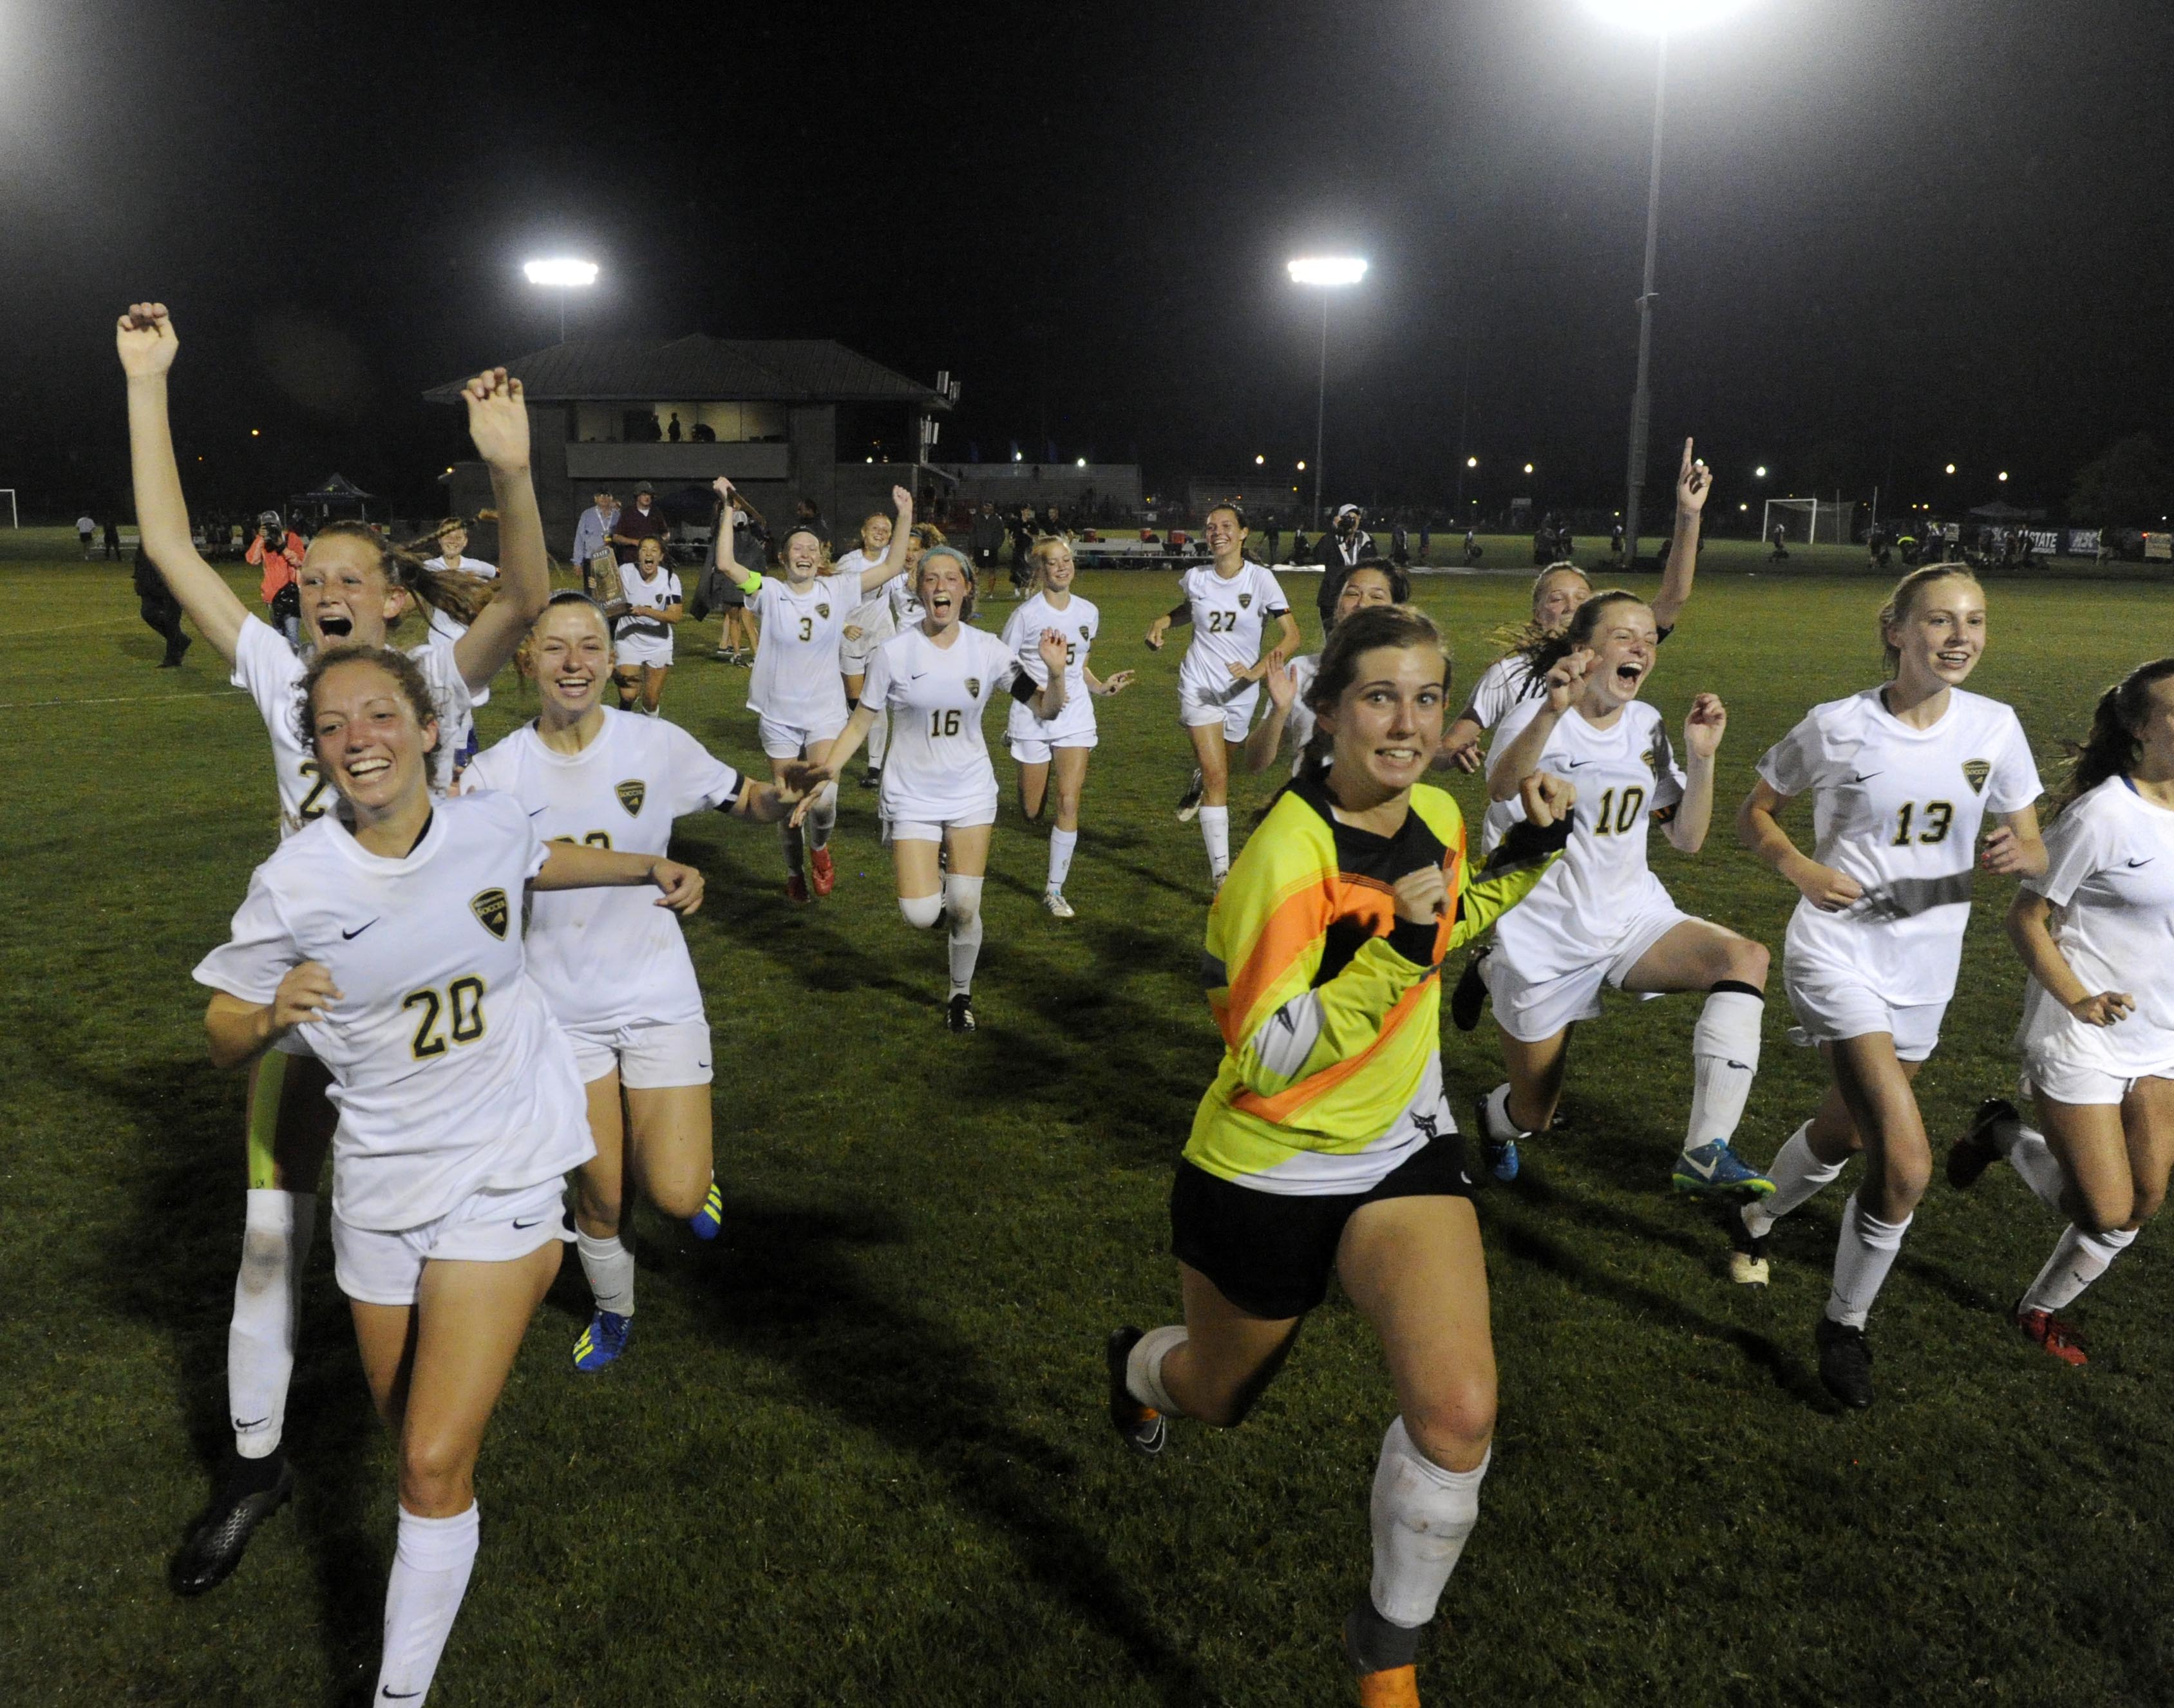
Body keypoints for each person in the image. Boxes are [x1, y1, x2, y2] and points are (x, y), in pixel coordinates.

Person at [118, 301, 551, 1597]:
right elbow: (164, 544)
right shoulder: (272, 677)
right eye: (309, 582)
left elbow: (526, 594)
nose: (320, 594)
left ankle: (448, 1430)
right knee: (268, 1231)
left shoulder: (437, 681)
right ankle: (256, 1466)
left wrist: (513, 469)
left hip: (439, 1019)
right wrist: (150, 384)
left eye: (347, 579)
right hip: (316, 1020)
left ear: (391, 598)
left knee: (447, 1236)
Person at [194, 642, 703, 1702]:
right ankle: (450, 1529)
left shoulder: (484, 819)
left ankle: (396, 1694)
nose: (357, 738)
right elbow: (219, 1028)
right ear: (318, 752)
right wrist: (266, 1017)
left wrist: (647, 866)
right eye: (332, 726)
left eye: (379, 713)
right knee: (418, 1450)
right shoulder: (293, 881)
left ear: (427, 728)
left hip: (506, 1171)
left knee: (425, 1460)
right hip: (380, 1188)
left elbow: (538, 854)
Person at [1103, 604, 1574, 1708]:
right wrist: (1397, 949)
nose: (1406, 723)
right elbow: (1266, 1052)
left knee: (1457, 1412)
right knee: (1216, 1393)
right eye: (1378, 696)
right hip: (1262, 1162)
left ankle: (1386, 1651)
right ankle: (1136, 1367)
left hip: (1398, 1148)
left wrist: (1525, 860)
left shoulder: (1445, 811)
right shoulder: (1282, 855)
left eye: (1424, 696)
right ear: (1325, 711)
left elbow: (1441, 923)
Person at [466, 593, 816, 1369]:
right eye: (555, 648)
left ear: (611, 658)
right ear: (527, 660)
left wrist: (779, 796)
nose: (574, 664)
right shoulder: (494, 773)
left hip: (657, 996)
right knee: (599, 1195)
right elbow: (509, 872)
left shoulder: (655, 743)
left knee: (678, 1196)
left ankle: (695, 1178)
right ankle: (615, 1310)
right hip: (560, 1012)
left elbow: (743, 798)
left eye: (590, 646)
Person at [1732, 566, 2044, 1408]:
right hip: (1836, 955)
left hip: (1927, 970)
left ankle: (1754, 1214)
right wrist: (1798, 866)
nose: (1960, 637)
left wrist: (2022, 854)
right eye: (1940, 621)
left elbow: (2032, 843)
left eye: (1974, 621)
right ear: (1897, 630)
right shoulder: (1836, 727)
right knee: (1905, 1165)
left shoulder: (1996, 727)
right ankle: (1845, 1324)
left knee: (1849, 1132)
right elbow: (1755, 812)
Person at [1466, 592, 1777, 1196]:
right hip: (1547, 938)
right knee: (1535, 1115)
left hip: (1633, 916)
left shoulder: (1647, 723)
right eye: (1625, 637)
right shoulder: (1541, 718)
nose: (1642, 648)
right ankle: (1493, 1119)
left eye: (1650, 640)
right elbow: (1501, 787)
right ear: (1584, 651)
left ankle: (1705, 1149)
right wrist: (1552, 714)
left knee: (1747, 957)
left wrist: (1701, 757)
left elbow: (1686, 837)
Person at [1947, 659, 2174, 1364]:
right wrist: (2077, 997)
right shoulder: (2104, 814)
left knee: (2141, 1205)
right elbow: (2026, 918)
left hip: (2161, 1034)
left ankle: (2038, 1308)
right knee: (2104, 1209)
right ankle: (2004, 1134)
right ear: (2140, 729)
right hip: (2080, 1030)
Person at [806, 546, 1070, 1031]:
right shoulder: (894, 653)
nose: (940, 586)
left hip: (970, 790)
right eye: (930, 578)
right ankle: (940, 879)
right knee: (921, 914)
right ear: (919, 589)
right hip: (910, 793)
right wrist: (828, 771)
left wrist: (1055, 674)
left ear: (967, 589)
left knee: (966, 905)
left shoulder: (988, 649)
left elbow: (1046, 708)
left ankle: (959, 995)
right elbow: (862, 721)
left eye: (951, 578)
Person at [715, 478, 913, 901]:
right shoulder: (767, 590)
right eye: (797, 549)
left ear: (822, 556)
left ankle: (819, 849)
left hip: (824, 713)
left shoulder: (838, 587)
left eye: (812, 548)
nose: (805, 554)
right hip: (778, 716)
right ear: (783, 557)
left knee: (823, 800)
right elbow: (727, 565)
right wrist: (726, 511)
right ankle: (793, 871)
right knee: (788, 803)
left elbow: (893, 566)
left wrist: (905, 514)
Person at [1145, 502, 1301, 887]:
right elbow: (1189, 610)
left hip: (1242, 691)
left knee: (1220, 768)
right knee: (1219, 779)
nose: (1217, 532)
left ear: (1243, 532)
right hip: (1199, 685)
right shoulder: (1196, 577)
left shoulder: (1261, 580)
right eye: (1211, 526)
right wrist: (1163, 621)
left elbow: (1291, 635)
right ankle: (1221, 874)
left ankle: (1200, 778)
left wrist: (1255, 673)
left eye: (1226, 525)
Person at [1003, 535, 1137, 917]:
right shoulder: (1025, 617)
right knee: (1031, 812)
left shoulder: (1088, 612)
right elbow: (1004, 668)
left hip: (1075, 716)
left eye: (1066, 560)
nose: (1062, 567)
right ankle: (1015, 746)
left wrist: (1100, 687)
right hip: (1032, 718)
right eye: (1053, 562)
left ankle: (1054, 889)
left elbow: (1080, 667)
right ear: (1039, 570)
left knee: (1069, 800)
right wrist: (1040, 694)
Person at [1245, 558, 1408, 780]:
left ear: (1395, 612)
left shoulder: (1407, 677)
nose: (1362, 603)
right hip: (1310, 811)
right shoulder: (1299, 671)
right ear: (1337, 605)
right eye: (1352, 593)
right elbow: (1255, 763)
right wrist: (1279, 711)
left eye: (1376, 596)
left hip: (1376, 811)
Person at [837, 507, 902, 783]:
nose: (880, 533)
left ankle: (875, 767)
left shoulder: (892, 560)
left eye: (886, 530)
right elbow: (829, 598)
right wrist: (843, 627)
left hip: (882, 637)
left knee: (875, 701)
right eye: (875, 528)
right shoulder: (848, 563)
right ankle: (847, 737)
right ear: (864, 533)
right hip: (852, 637)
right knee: (855, 701)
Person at [612, 535, 681, 717]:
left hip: (658, 643)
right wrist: (598, 586)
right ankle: (624, 724)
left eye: (654, 550)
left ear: (661, 557)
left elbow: (675, 616)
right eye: (644, 550)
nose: (648, 554)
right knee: (628, 694)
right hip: (629, 640)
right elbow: (607, 597)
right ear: (639, 555)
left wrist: (646, 611)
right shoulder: (625, 572)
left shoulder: (670, 579)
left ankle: (649, 735)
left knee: (651, 701)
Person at [249, 510, 308, 646]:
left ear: (279, 524)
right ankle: (280, 664)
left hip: (291, 593)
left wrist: (282, 547)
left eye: (273, 525)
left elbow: (300, 561)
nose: (270, 528)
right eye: (266, 526)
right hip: (271, 595)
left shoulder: (291, 538)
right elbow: (253, 560)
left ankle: (293, 665)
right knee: (278, 633)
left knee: (292, 634)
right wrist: (260, 539)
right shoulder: (263, 541)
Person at [133, 543, 191, 668]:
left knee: (172, 621)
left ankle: (173, 659)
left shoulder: (172, 536)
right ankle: (181, 640)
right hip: (150, 583)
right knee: (148, 613)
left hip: (173, 583)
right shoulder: (147, 537)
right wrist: (138, 579)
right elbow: (140, 558)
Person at [1312, 504, 1368, 630]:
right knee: (1333, 641)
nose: (1352, 522)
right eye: (1348, 518)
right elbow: (1318, 557)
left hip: (1358, 598)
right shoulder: (1331, 540)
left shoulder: (1365, 541)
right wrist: (1334, 529)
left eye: (1355, 518)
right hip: (1332, 598)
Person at [571, 490, 619, 597]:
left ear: (612, 498)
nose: (604, 498)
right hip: (591, 560)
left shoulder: (617, 515)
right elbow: (579, 538)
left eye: (607, 495)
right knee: (591, 592)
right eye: (600, 495)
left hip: (611, 560)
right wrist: (577, 562)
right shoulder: (587, 515)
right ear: (595, 498)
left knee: (611, 592)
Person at [612, 484, 668, 565]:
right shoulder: (627, 513)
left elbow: (666, 533)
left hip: (653, 561)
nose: (647, 498)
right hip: (632, 559)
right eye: (644, 495)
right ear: (637, 497)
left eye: (649, 495)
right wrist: (635, 542)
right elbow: (617, 537)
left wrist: (660, 541)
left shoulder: (656, 512)